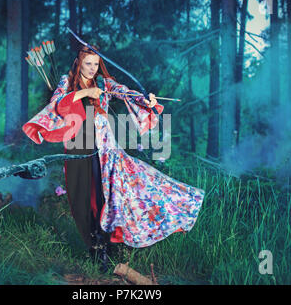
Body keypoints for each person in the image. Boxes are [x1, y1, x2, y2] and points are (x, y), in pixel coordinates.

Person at [22, 45, 206, 271]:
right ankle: (94, 246)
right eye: (87, 63)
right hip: (77, 146)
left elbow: (126, 93)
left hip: (105, 147)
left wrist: (146, 101)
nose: (92, 69)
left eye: (95, 64)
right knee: (81, 199)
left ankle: (106, 248)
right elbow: (58, 105)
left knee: (105, 196)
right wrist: (84, 93)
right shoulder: (67, 82)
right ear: (78, 63)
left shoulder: (104, 84)